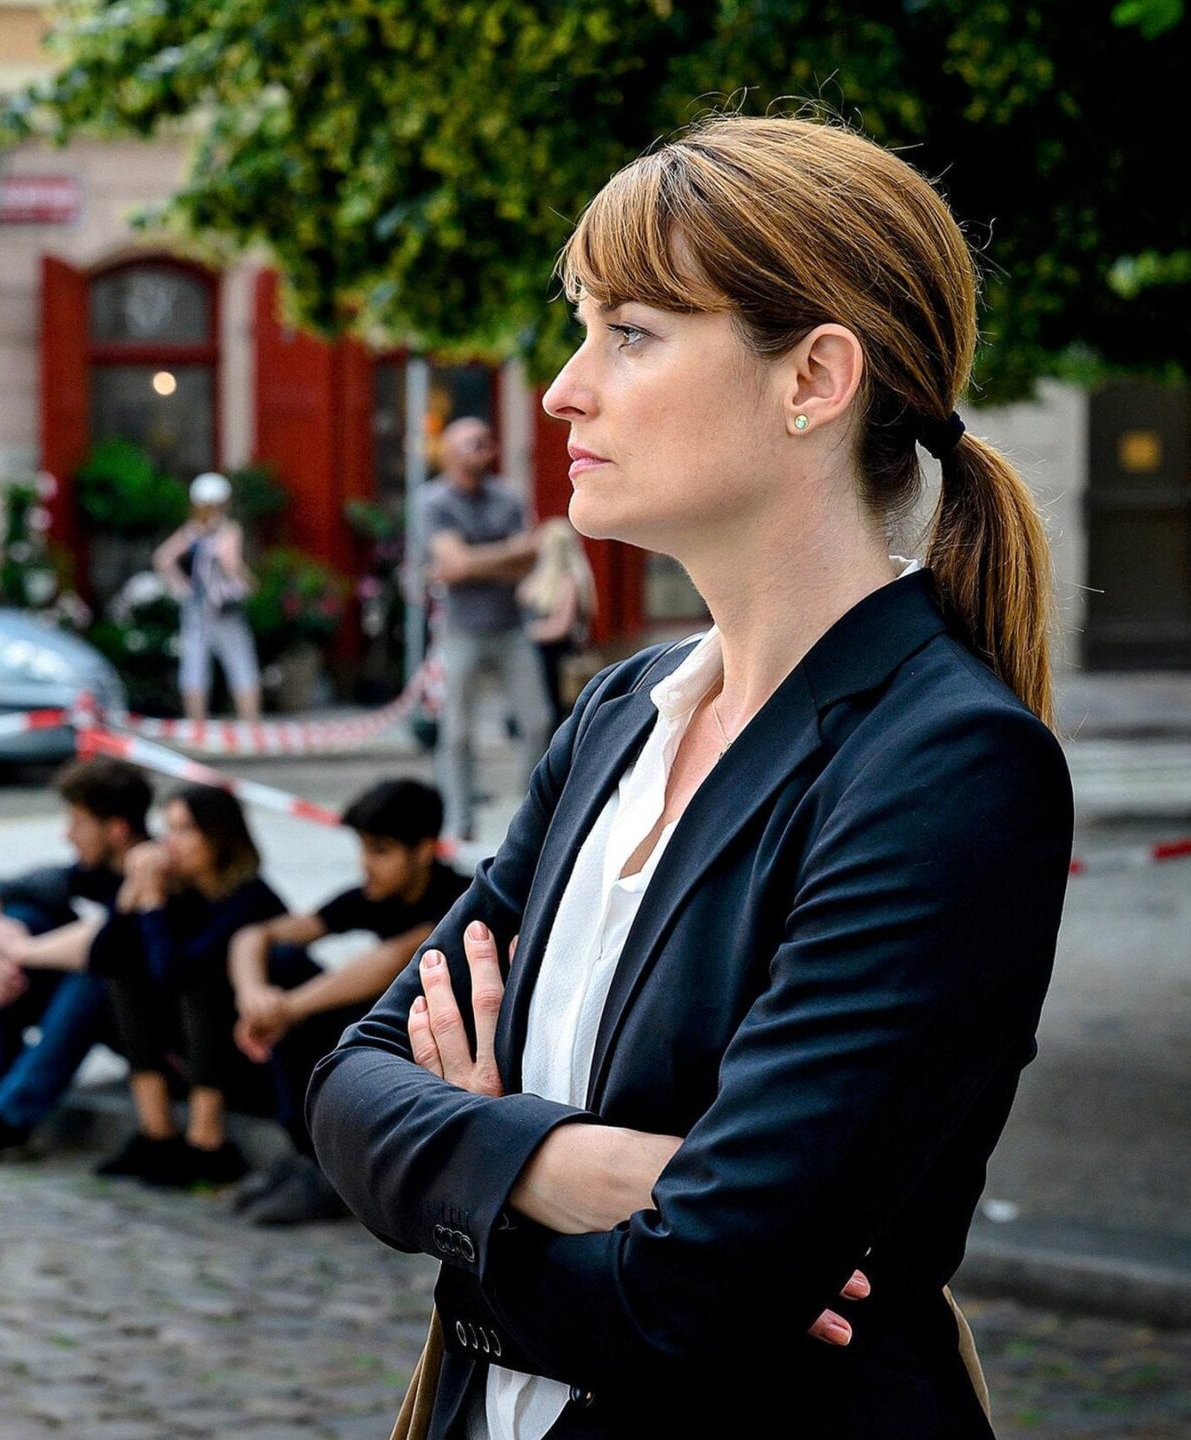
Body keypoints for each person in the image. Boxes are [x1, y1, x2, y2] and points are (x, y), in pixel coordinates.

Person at [310, 115, 1074, 1440]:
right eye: (583, 328)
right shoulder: (622, 713)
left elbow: (696, 1286)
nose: (563, 390)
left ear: (812, 378)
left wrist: (470, 1180)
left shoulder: (948, 763)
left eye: (631, 333)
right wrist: (570, 1164)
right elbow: (346, 1089)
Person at [228, 778, 467, 1225]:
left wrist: (286, 1009)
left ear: (423, 851)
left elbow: (394, 959)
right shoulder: (374, 895)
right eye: (363, 848)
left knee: (330, 1024)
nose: (365, 864)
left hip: (446, 1048)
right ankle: (306, 1157)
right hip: (395, 1032)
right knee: (282, 963)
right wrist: (254, 996)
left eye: (381, 851)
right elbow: (254, 936)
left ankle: (331, 1175)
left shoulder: (458, 899)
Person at [0, 755, 152, 1162]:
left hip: (162, 1034)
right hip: (116, 1013)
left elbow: (112, 941)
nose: (67, 834)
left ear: (117, 829)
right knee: (24, 916)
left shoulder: (152, 873)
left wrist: (22, 950)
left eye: (79, 823)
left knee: (94, 975)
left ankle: (4, 1119)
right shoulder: (90, 872)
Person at [94, 783, 286, 1188]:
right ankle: (157, 1132)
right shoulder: (184, 892)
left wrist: (151, 905)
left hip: (254, 1055)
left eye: (185, 830)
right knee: (123, 974)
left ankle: (207, 1142)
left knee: (199, 982)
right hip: (192, 1051)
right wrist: (130, 895)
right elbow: (103, 959)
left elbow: (178, 974)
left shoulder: (250, 899)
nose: (170, 843)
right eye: (168, 830)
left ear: (219, 837)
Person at [423, 417, 554, 841]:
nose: (479, 451)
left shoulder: (508, 496)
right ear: (448, 452)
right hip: (460, 630)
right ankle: (459, 820)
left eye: (484, 442)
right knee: (457, 731)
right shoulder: (434, 501)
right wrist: (505, 556)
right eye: (469, 444)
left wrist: (471, 563)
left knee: (537, 721)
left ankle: (528, 819)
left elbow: (528, 560)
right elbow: (454, 564)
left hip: (511, 627)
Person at [154, 471, 261, 724]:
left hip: (195, 606)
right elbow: (230, 563)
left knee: (194, 665)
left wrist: (184, 586)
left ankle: (197, 725)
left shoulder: (192, 531)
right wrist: (249, 582)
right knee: (240, 662)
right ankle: (250, 723)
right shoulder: (227, 529)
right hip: (224, 609)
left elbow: (162, 558)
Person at [518, 517, 596, 726]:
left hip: (556, 658)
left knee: (554, 711)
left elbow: (560, 627)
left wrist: (525, 633)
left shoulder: (569, 581)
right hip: (542, 656)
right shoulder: (542, 577)